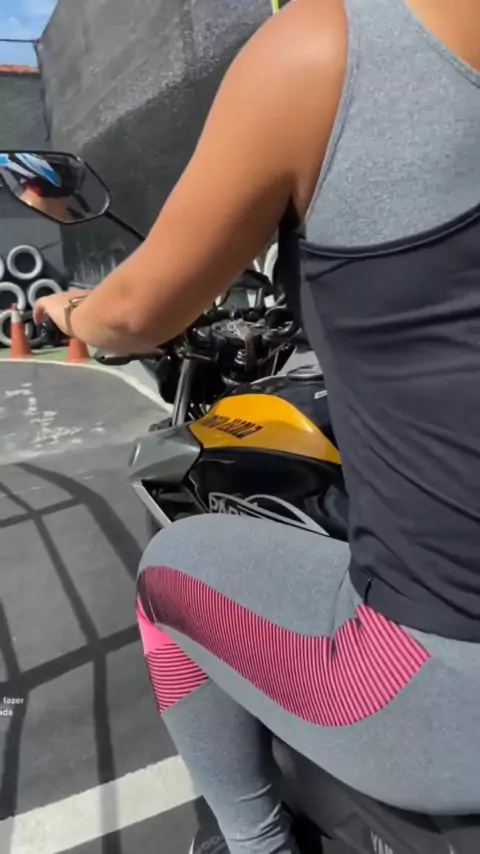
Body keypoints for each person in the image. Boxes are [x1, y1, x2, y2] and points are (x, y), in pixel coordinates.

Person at [34, 0, 480, 852]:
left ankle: (255, 842)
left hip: (453, 681)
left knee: (170, 570)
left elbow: (136, 311)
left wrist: (73, 312)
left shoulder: (328, 46)